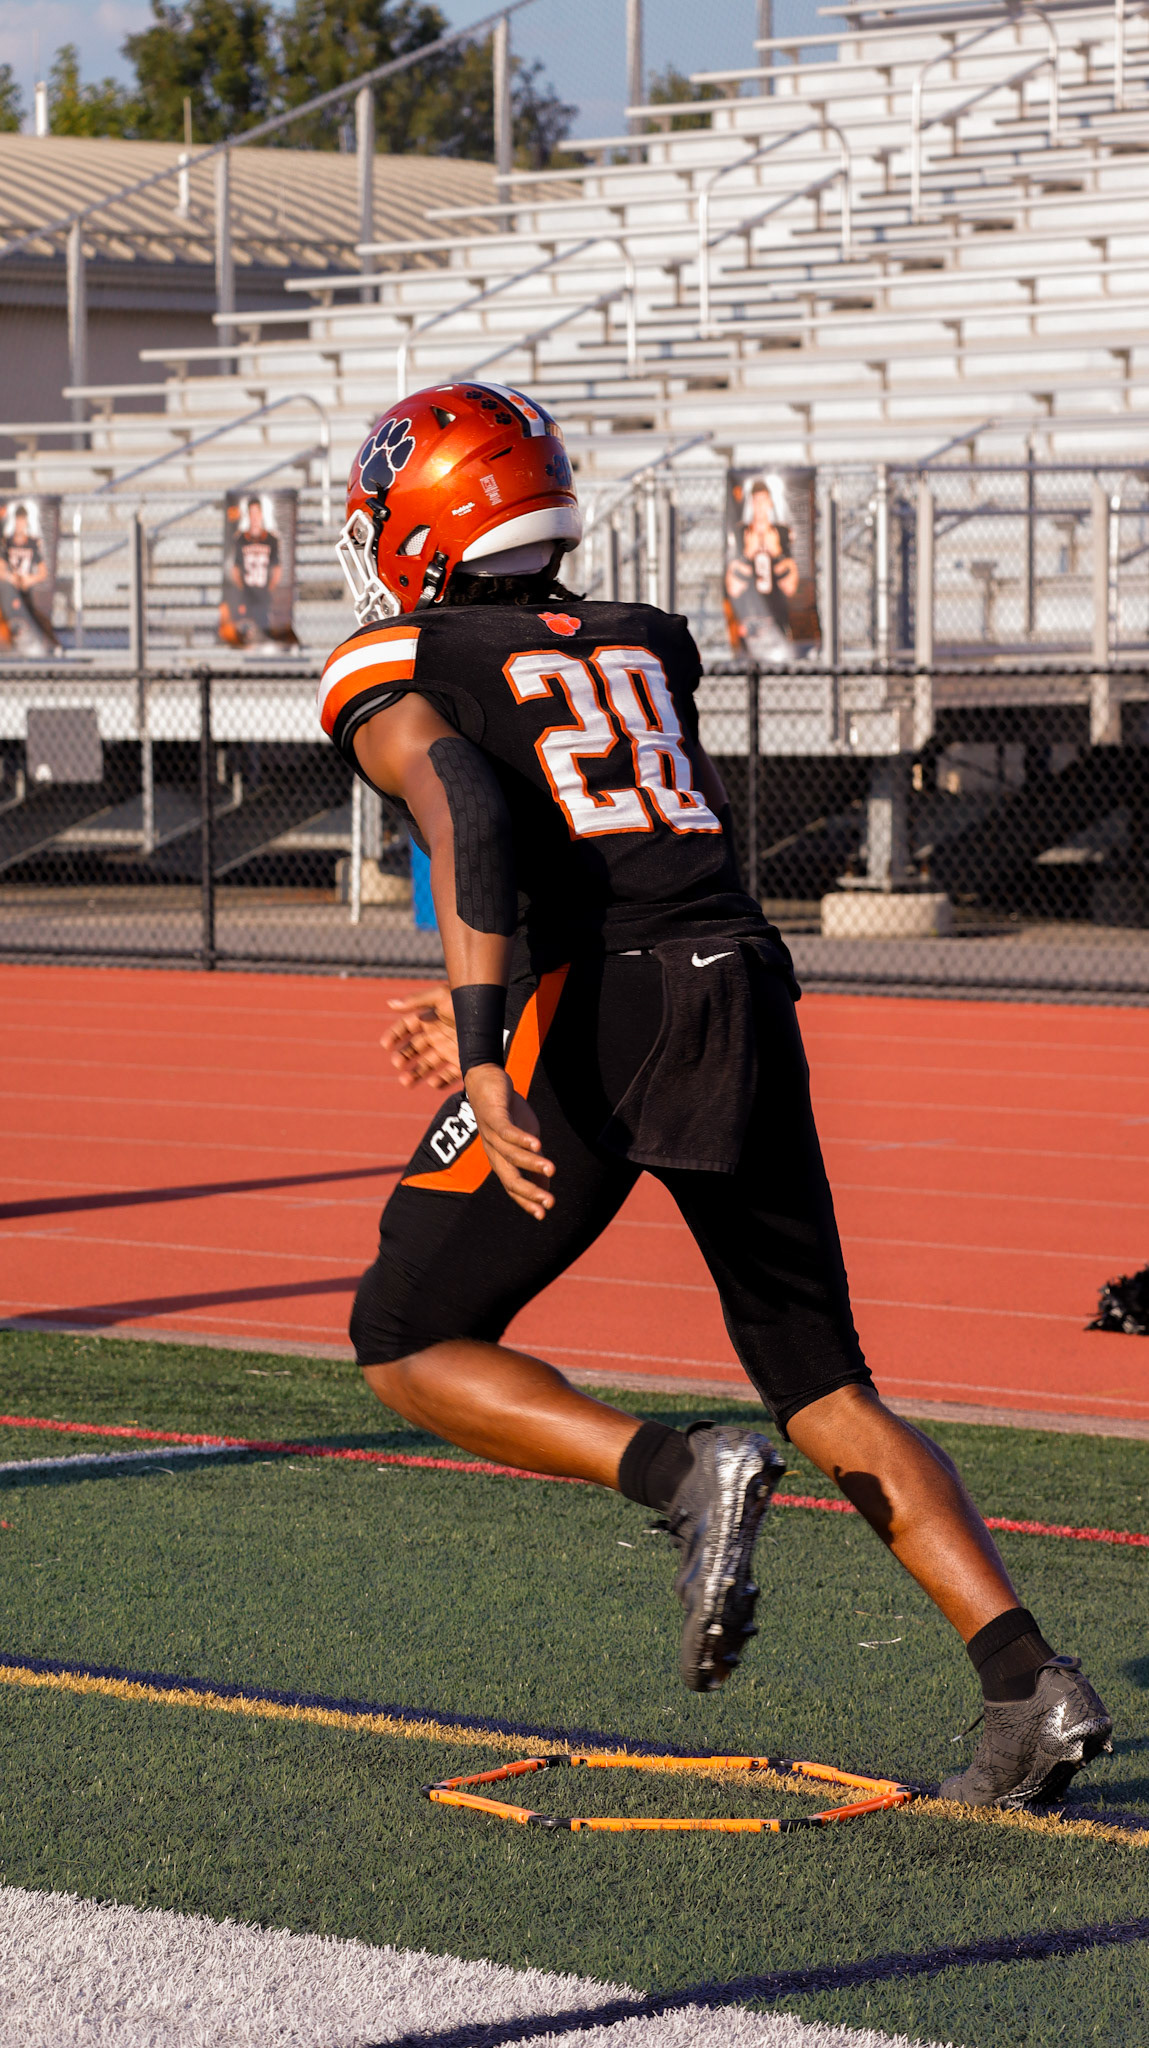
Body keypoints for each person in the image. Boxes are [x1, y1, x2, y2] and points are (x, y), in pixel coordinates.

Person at [319, 381, 1111, 1803]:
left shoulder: (397, 656)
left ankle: (682, 1474)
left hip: (604, 1010)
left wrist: (488, 1039)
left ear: (423, 525)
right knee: (827, 1383)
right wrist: (497, 996)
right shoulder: (643, 636)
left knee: (405, 1332)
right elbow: (612, 840)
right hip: (738, 977)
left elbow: (477, 816)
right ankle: (1026, 1687)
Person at [724, 478, 800, 658]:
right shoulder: (741, 533)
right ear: (751, 503)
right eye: (756, 501)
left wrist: (777, 553)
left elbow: (790, 587)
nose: (759, 506)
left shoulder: (781, 533)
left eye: (763, 500)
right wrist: (747, 555)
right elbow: (733, 589)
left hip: (777, 616)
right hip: (748, 617)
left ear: (770, 502)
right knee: (747, 661)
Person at [224, 496, 281, 647]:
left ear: (261, 514)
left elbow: (277, 568)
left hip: (263, 594)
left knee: (264, 634)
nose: (254, 517)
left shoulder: (271, 539)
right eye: (251, 513)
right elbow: (235, 569)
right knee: (245, 636)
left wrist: (270, 589)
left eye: (257, 513)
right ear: (248, 515)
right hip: (247, 594)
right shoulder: (241, 539)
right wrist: (242, 589)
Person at [0, 502, 51, 654]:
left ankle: (44, 644)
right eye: (18, 521)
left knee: (34, 612)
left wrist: (29, 579)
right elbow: (1, 568)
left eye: (22, 521)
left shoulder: (32, 543)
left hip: (27, 589)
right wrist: (11, 578)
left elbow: (43, 573)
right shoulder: (7, 542)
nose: (20, 525)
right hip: (11, 588)